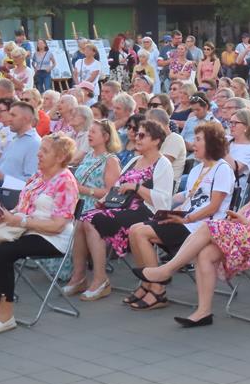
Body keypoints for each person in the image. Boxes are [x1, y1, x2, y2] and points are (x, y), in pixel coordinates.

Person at [132, 125, 250, 328]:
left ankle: (166, 270)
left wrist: (248, 222)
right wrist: (238, 218)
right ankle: (203, 312)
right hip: (248, 229)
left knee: (209, 226)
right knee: (205, 253)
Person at [0, 134, 79, 334]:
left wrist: (20, 221)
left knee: (2, 253)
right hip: (26, 229)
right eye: (40, 149)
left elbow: (57, 226)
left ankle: (6, 315)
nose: (39, 154)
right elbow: (22, 208)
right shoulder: (38, 176)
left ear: (60, 157)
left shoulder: (66, 181)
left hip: (51, 237)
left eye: (45, 151)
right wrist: (4, 216)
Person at [126, 122, 235, 310]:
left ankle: (157, 289)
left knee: (141, 233)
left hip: (200, 227)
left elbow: (214, 206)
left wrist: (187, 219)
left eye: (198, 139)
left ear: (211, 143)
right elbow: (188, 195)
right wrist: (168, 203)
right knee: (134, 229)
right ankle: (147, 284)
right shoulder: (197, 169)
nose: (193, 144)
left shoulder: (222, 169)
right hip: (186, 220)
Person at [66, 119, 172, 302]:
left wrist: (136, 187)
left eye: (142, 135)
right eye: (137, 134)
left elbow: (163, 201)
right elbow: (116, 187)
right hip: (123, 207)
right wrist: (103, 201)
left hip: (146, 211)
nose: (136, 138)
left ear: (156, 140)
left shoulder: (163, 164)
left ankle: (100, 280)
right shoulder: (135, 160)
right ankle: (79, 276)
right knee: (83, 218)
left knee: (92, 221)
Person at [0, 101, 40, 190]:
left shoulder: (35, 143)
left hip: (9, 192)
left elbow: (32, 182)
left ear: (26, 119)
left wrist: (3, 177)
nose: (9, 119)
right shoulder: (15, 139)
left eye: (13, 115)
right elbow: (3, 169)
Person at [72, 119, 122, 218]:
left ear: (106, 137)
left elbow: (112, 193)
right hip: (76, 205)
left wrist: (85, 190)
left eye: (93, 132)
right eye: (89, 131)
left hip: (92, 211)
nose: (89, 135)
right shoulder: (89, 155)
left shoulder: (111, 161)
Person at [226, 107, 250, 180]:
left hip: (235, 183)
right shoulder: (227, 139)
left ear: (247, 126)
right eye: (231, 122)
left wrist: (222, 149)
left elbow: (235, 168)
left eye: (235, 123)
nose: (231, 126)